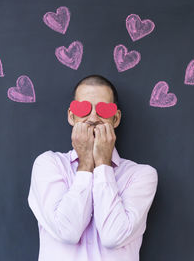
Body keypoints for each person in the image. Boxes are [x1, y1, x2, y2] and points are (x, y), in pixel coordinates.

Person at [27, 74, 158, 261]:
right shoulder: (48, 165)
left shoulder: (141, 175)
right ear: (71, 116)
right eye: (84, 109)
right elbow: (67, 231)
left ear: (116, 118)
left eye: (104, 110)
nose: (94, 117)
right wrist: (86, 163)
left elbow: (113, 236)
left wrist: (103, 164)